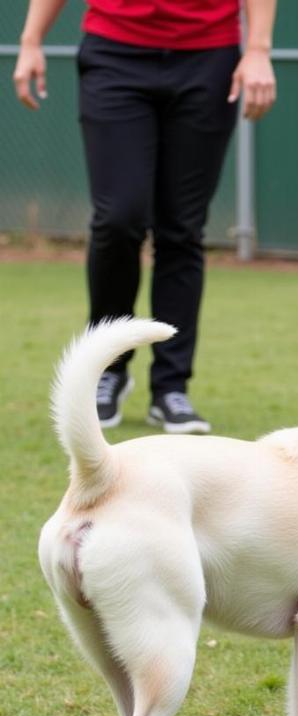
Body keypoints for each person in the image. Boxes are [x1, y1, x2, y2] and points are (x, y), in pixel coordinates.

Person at [14, 0, 277, 434]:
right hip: (114, 51)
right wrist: (30, 41)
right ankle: (108, 369)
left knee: (182, 230)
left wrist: (259, 49)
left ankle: (171, 388)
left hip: (208, 56)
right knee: (119, 218)